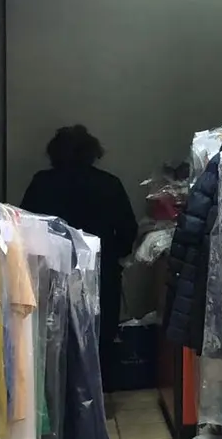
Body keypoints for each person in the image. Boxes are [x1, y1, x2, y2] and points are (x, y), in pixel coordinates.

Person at [21, 126, 138, 346]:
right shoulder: (109, 184)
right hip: (100, 273)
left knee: (53, 343)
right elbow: (128, 230)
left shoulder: (42, 183)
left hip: (52, 273)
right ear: (92, 152)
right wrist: (114, 256)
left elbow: (26, 227)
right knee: (99, 340)